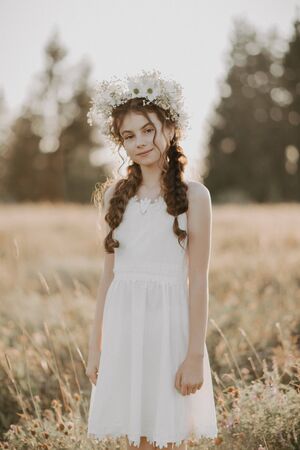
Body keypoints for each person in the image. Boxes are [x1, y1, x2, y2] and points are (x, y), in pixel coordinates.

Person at [85, 69, 218, 449]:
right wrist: (96, 347)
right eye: (129, 136)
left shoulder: (195, 197)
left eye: (148, 130)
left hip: (168, 330)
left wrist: (194, 355)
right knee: (134, 437)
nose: (140, 142)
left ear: (170, 128)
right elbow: (107, 279)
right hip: (124, 327)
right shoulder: (115, 196)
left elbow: (198, 280)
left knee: (163, 436)